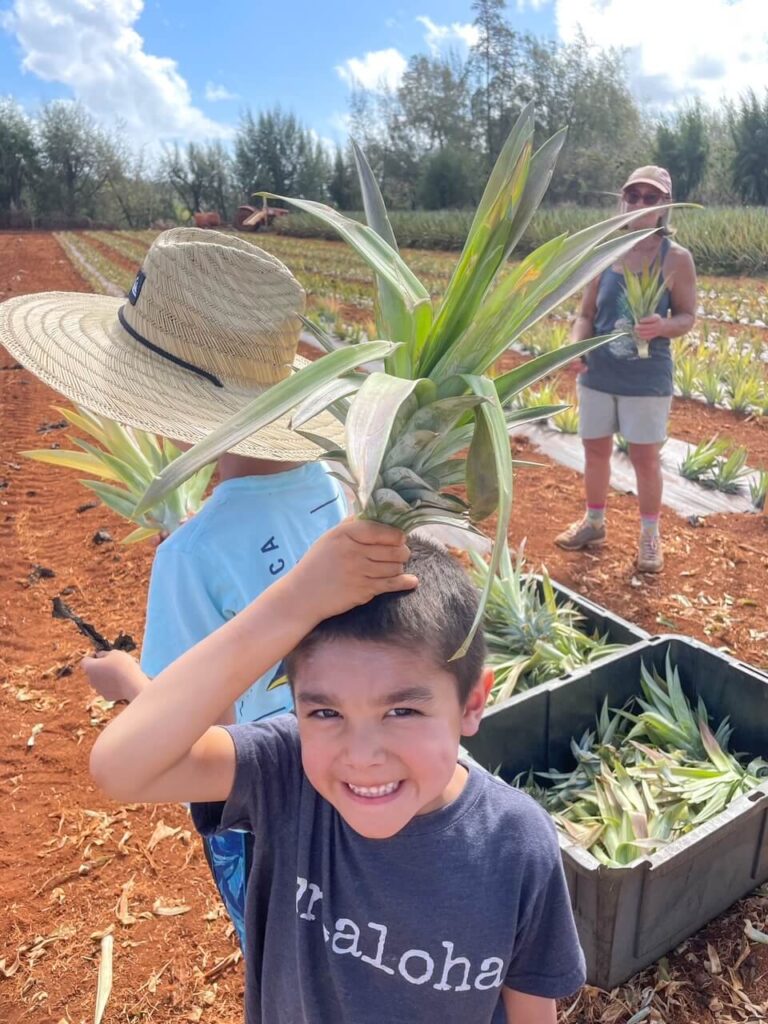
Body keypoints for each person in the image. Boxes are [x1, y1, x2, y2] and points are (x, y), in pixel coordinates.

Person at [85, 518, 586, 1024]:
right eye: (326, 713)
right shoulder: (286, 776)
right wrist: (293, 602)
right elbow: (120, 767)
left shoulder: (516, 843)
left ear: (472, 703)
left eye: (402, 711)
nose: (362, 755)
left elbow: (530, 1005)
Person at [0, 228, 347, 946]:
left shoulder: (192, 553)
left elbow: (195, 733)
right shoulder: (334, 483)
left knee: (282, 954)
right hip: (354, 781)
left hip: (267, 809)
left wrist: (127, 679)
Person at [555, 166, 697, 572]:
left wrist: (663, 326)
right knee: (595, 450)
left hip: (646, 379)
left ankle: (650, 537)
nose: (638, 204)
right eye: (632, 196)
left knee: (645, 459)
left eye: (649, 198)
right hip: (598, 374)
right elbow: (584, 314)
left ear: (664, 206)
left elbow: (687, 317)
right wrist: (574, 344)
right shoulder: (605, 252)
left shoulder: (677, 259)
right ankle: (594, 523)